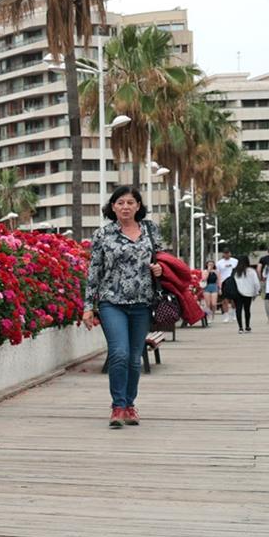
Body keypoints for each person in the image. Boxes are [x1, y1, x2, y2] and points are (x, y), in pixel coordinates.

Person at [84, 184, 163, 429]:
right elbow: (94, 271)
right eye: (120, 203)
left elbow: (160, 261)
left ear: (138, 206)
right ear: (113, 207)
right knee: (119, 353)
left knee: (134, 358)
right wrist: (88, 305)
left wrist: (159, 271)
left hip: (142, 302)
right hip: (112, 302)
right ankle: (117, 405)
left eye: (130, 202)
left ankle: (129, 405)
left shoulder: (150, 230)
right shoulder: (103, 235)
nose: (125, 207)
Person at [232, 255, 262, 333]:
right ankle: (247, 326)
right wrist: (257, 292)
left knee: (238, 310)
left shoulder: (235, 271)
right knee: (247, 310)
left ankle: (240, 328)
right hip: (248, 293)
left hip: (237, 293)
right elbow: (256, 283)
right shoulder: (251, 271)